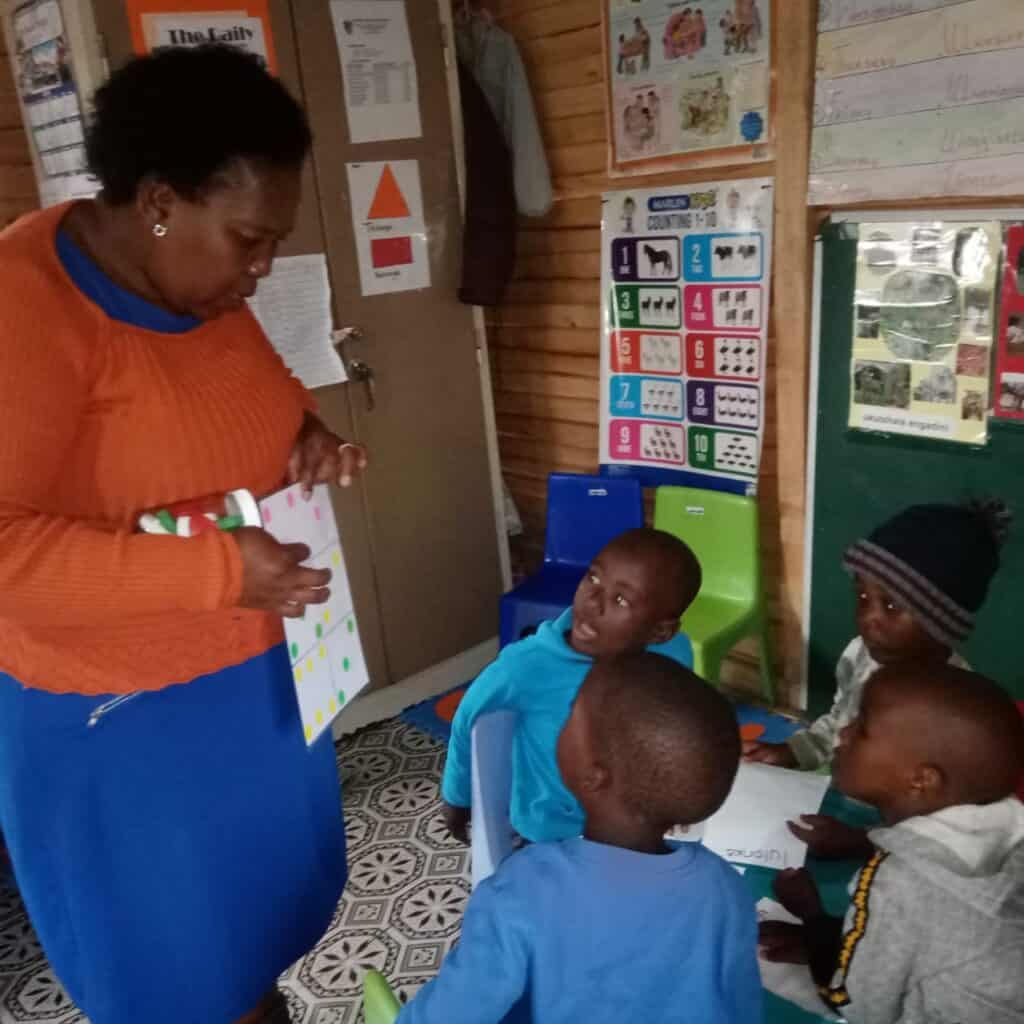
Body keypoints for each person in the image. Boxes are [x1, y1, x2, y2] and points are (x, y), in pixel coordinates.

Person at [0, 47, 367, 1024]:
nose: (262, 269)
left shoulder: (195, 287)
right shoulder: (23, 311)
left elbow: (249, 397)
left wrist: (307, 435)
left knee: (249, 936)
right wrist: (216, 568)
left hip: (253, 677)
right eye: (250, 239)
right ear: (159, 200)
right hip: (123, 720)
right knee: (173, 968)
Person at [400, 652, 762, 1023]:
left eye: (572, 714)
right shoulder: (726, 888)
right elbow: (743, 1008)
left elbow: (452, 1013)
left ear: (592, 774)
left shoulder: (521, 891)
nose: (562, 723)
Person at [759, 664, 1024, 1024]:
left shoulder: (897, 882)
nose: (843, 734)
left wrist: (813, 918)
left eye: (862, 728)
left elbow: (855, 1002)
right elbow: (934, 933)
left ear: (921, 779)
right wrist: (833, 938)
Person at [744, 500, 1008, 858]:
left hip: (895, 849)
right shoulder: (859, 654)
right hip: (831, 797)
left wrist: (860, 840)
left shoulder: (954, 711)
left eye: (891, 606)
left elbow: (949, 830)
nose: (868, 619)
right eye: (863, 597)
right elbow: (838, 723)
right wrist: (794, 751)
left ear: (942, 622)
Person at [441, 528, 700, 844]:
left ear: (660, 632)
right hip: (553, 834)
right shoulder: (524, 667)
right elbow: (466, 721)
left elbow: (676, 729)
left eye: (620, 599)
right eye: (593, 578)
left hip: (636, 823)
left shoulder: (672, 654)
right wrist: (457, 798)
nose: (592, 601)